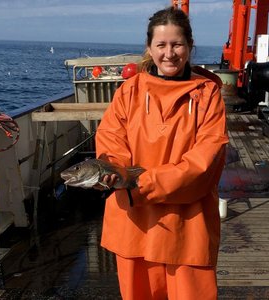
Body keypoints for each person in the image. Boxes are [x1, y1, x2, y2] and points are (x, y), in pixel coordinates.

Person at [94, 6, 228, 300]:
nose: (169, 53)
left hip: (187, 225)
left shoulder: (207, 94)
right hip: (133, 221)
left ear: (190, 47)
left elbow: (204, 161)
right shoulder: (129, 91)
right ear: (149, 48)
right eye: (161, 45)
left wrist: (138, 182)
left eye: (177, 44)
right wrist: (114, 171)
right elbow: (110, 140)